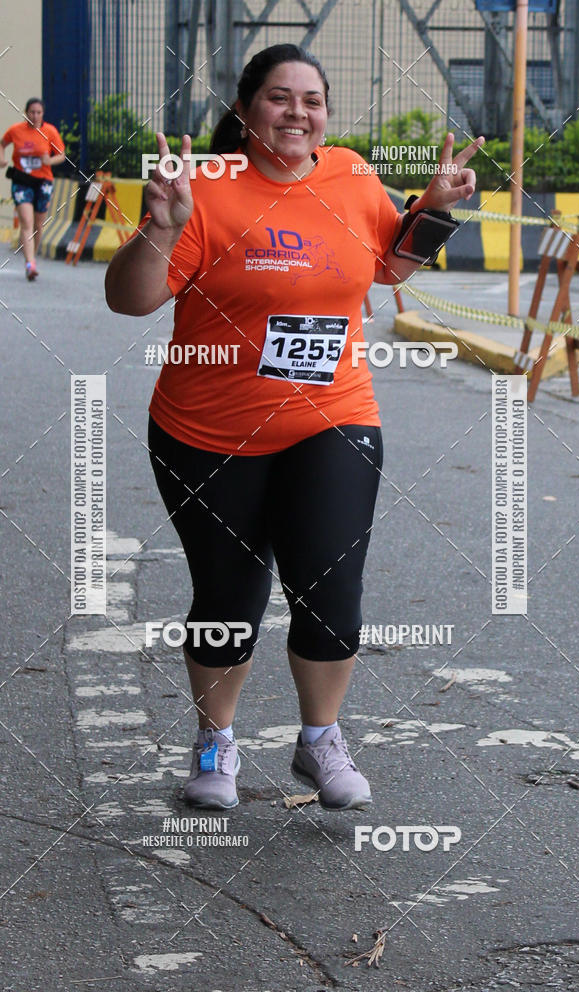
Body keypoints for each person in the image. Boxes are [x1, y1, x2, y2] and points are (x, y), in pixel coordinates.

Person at [105, 44, 484, 811]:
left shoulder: (351, 175)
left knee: (330, 590)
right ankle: (215, 741)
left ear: (326, 117)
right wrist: (160, 226)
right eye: (280, 97)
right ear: (246, 111)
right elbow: (129, 299)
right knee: (229, 597)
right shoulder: (206, 188)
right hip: (208, 431)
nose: (297, 113)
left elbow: (389, 265)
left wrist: (435, 208)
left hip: (333, 417)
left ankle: (320, 740)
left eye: (312, 101)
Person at [0, 98, 65, 280]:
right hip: (22, 181)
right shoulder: (15, 130)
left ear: (43, 114)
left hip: (43, 182)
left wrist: (49, 160)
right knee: (26, 222)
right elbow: (2, 143)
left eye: (38, 113)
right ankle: (30, 264)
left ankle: (32, 257)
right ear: (26, 112)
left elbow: (61, 155)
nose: (35, 116)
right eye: (32, 112)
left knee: (38, 224)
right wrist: (2, 159)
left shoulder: (50, 131)